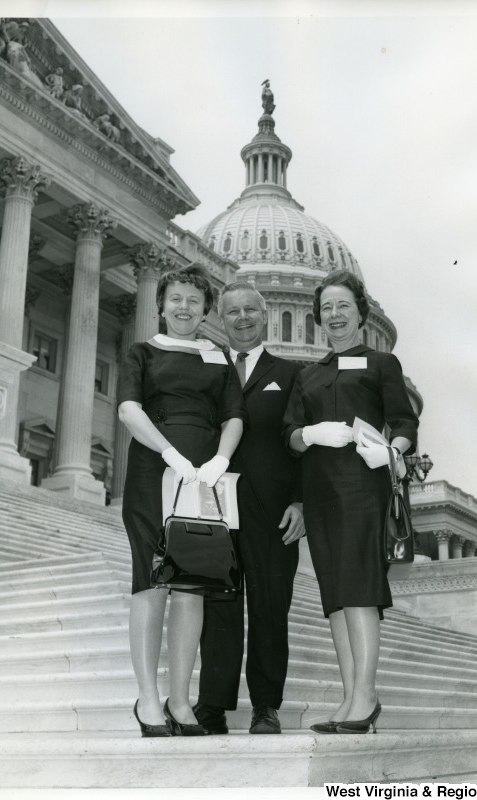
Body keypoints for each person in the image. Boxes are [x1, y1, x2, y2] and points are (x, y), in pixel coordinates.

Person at [283, 270, 419, 734]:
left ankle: (366, 697)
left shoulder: (382, 365)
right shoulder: (308, 375)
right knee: (336, 599)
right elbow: (290, 438)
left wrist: (392, 450)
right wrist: (309, 433)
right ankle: (350, 698)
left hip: (364, 488)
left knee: (359, 590)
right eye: (326, 308)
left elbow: (404, 422)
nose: (335, 315)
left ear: (360, 313)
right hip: (320, 493)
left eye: (343, 306)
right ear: (317, 318)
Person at [117, 264, 246, 737]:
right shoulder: (143, 351)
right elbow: (129, 408)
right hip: (155, 473)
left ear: (206, 308)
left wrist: (218, 460)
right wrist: (168, 451)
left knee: (192, 584)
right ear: (162, 304)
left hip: (203, 482)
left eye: (194, 299)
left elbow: (235, 415)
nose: (184, 307)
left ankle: (180, 700)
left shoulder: (218, 356)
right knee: (151, 582)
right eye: (176, 298)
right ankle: (148, 698)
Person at [195, 282, 304, 734]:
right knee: (217, 606)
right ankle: (213, 707)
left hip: (273, 509)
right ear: (221, 319)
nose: (241, 319)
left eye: (250, 311)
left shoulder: (292, 373)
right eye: (232, 312)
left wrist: (302, 501)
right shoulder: (204, 369)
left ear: (265, 315)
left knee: (269, 608)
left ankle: (265, 706)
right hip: (213, 504)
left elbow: (303, 441)